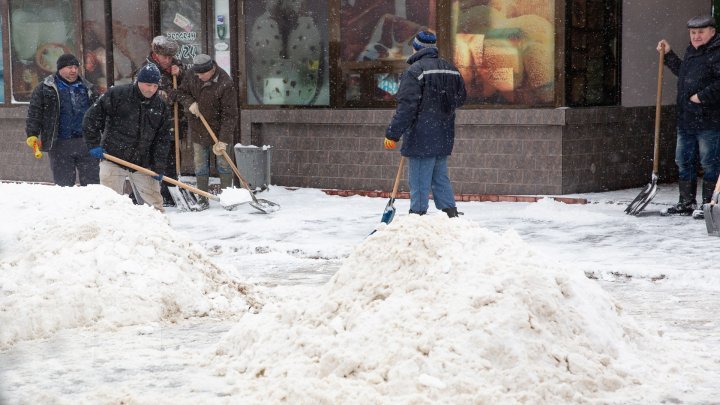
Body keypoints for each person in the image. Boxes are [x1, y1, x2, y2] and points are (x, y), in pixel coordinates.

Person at [384, 30, 467, 218]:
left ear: (416, 48)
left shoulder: (415, 71)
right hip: (444, 133)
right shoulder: (450, 68)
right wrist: (441, 109)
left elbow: (406, 107)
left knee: (420, 177)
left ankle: (417, 214)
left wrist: (392, 134)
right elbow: (461, 97)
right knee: (440, 176)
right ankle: (450, 212)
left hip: (421, 135)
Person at [83, 63, 173, 212]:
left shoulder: (160, 107)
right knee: (108, 204)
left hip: (143, 162)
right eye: (147, 84)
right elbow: (91, 118)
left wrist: (159, 165)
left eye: (155, 86)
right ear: (138, 82)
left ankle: (156, 233)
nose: (151, 89)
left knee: (155, 207)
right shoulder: (117, 95)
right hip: (113, 157)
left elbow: (162, 139)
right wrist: (93, 144)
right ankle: (110, 231)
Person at [658, 15, 720, 217]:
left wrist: (702, 96)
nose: (696, 36)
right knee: (684, 161)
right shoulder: (692, 52)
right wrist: (668, 55)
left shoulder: (717, 52)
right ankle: (686, 203)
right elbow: (684, 73)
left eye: (701, 32)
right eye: (693, 33)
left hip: (709, 120)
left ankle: (709, 205)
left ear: (712, 32)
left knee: (710, 162)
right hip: (686, 119)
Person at [25, 53, 100, 186]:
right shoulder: (45, 89)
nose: (73, 70)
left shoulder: (88, 88)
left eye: (76, 67)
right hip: (60, 143)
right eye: (70, 67)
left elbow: (100, 114)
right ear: (60, 68)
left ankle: (91, 206)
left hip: (86, 143)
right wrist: (32, 134)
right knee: (64, 185)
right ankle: (67, 207)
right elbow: (34, 113)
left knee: (92, 184)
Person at [176, 54, 239, 210]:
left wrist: (223, 140)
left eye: (202, 74)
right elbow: (180, 93)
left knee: (224, 165)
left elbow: (230, 115)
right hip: (198, 128)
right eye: (197, 73)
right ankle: (202, 199)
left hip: (220, 131)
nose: (199, 76)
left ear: (212, 69)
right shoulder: (192, 74)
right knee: (200, 165)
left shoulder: (225, 83)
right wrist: (190, 103)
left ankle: (227, 199)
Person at [134, 35, 186, 207]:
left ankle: (170, 190)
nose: (168, 60)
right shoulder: (146, 70)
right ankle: (147, 194)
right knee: (153, 160)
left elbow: (188, 84)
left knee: (172, 158)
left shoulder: (175, 66)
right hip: (152, 125)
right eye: (165, 57)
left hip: (173, 124)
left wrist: (180, 73)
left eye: (171, 57)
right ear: (156, 54)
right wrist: (172, 96)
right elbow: (148, 96)